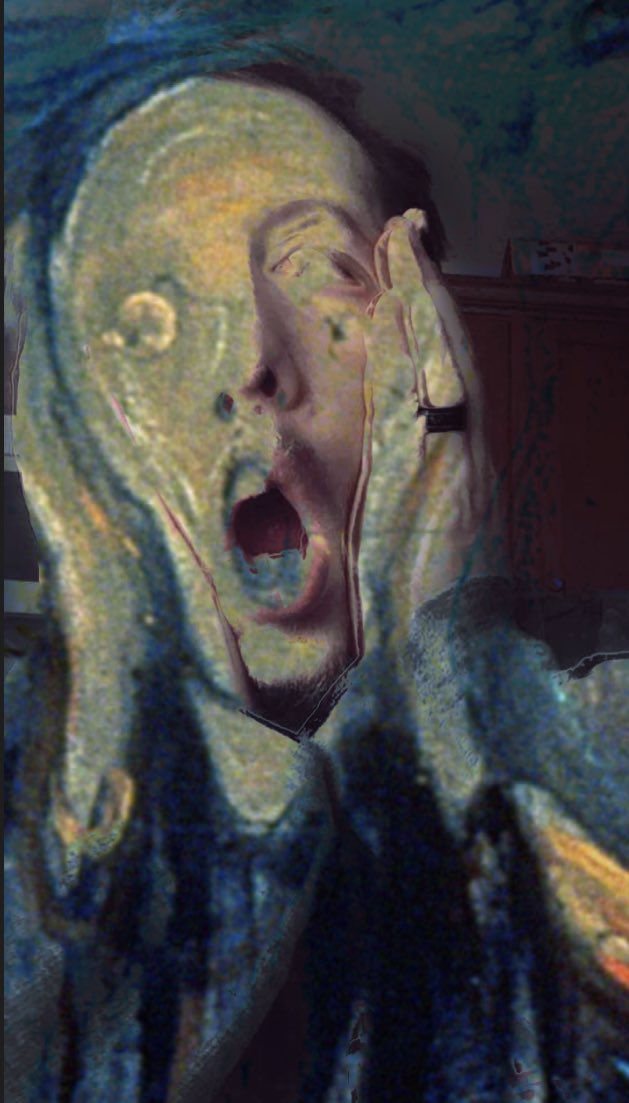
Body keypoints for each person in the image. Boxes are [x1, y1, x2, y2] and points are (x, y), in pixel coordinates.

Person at [5, 9, 628, 1103]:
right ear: (78, 426)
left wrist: (420, 684)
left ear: (421, 343)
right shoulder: (30, 777)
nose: (252, 361)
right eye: (144, 321)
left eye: (319, 270)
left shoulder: (588, 715)